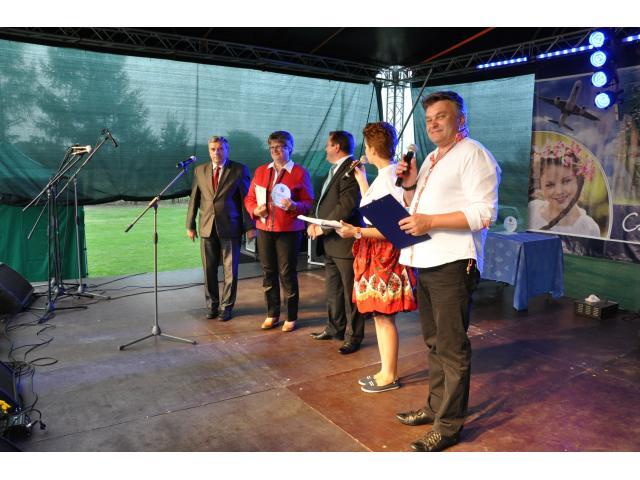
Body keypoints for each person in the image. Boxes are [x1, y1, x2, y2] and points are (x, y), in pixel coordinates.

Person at [395, 91, 501, 452]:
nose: (433, 123)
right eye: (428, 119)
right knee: (434, 343)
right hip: (425, 260)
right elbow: (416, 208)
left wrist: (430, 221)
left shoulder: (474, 154)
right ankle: (434, 407)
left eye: (441, 116)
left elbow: (484, 214)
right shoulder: (431, 158)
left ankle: (449, 425)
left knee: (452, 348)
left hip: (454, 263)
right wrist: (410, 184)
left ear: (461, 119)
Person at [336, 122, 417, 390]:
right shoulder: (385, 176)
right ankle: (385, 371)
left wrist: (356, 231)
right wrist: (361, 179)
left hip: (384, 254)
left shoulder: (391, 178)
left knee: (384, 315)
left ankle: (389, 374)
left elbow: (392, 229)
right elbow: (376, 210)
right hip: (375, 251)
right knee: (379, 316)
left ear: (371, 149)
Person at [244, 131, 314, 332]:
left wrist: (295, 206)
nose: (275, 151)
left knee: (287, 273)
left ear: (290, 148)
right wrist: (254, 210)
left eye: (280, 147)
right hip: (264, 228)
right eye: (272, 147)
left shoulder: (299, 172)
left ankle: (291, 316)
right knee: (268, 272)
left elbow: (308, 202)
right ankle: (272, 314)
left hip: (289, 230)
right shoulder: (261, 171)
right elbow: (249, 198)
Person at [307, 131, 367, 354]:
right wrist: (312, 221)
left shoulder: (352, 169)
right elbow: (321, 202)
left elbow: (347, 206)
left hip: (345, 243)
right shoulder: (333, 170)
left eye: (328, 145)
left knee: (351, 293)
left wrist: (322, 227)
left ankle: (354, 336)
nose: (325, 149)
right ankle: (335, 328)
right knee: (333, 290)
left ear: (337, 147)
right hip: (331, 243)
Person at [186, 135, 256, 321]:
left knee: (230, 271)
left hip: (230, 227)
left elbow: (246, 200)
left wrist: (250, 226)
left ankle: (226, 307)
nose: (216, 152)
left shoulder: (239, 170)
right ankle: (212, 305)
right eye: (213, 149)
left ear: (227, 150)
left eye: (220, 149)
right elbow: (194, 199)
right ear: (209, 151)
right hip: (206, 226)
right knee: (209, 270)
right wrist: (190, 224)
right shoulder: (199, 170)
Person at [528, 140, 600, 236]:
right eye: (550, 185)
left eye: (566, 181)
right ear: (540, 186)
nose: (559, 191)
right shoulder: (532, 209)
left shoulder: (589, 228)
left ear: (578, 180)